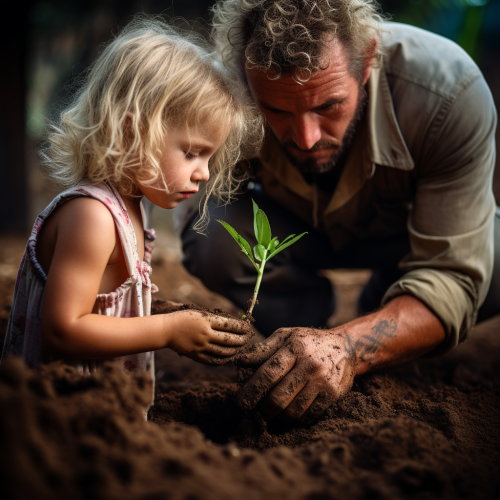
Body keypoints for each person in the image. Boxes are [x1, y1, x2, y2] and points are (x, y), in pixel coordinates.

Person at [176, 0, 498, 422]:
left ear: (366, 62)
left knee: (492, 271)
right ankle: (299, 327)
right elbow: (181, 191)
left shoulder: (447, 92)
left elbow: (454, 275)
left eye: (327, 106)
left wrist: (347, 347)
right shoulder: (227, 92)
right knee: (208, 235)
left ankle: (382, 304)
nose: (306, 139)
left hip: (402, 239)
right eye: (276, 111)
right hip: (294, 233)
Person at [1, 17, 263, 402]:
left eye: (210, 156)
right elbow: (63, 329)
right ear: (131, 132)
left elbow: (104, 303)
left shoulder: (132, 209)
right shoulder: (93, 218)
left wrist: (167, 314)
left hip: (100, 410)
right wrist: (167, 330)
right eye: (191, 152)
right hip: (55, 413)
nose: (204, 173)